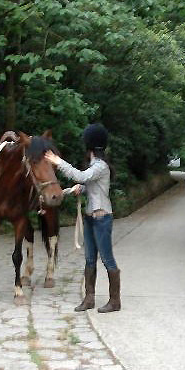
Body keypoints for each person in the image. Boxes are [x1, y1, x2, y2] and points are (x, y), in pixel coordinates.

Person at [45, 123, 120, 313]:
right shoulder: (96, 166)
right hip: (90, 218)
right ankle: (89, 298)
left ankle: (115, 300)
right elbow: (88, 184)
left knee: (107, 259)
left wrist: (58, 161)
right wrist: (77, 189)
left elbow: (80, 175)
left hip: (102, 218)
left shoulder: (101, 166)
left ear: (89, 146)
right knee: (89, 259)